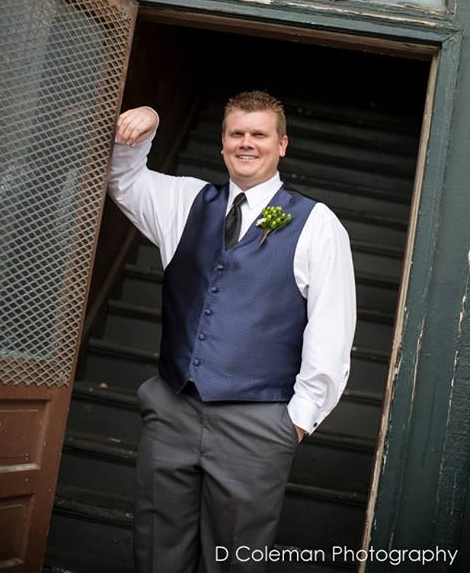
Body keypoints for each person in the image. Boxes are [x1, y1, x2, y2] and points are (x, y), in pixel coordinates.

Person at [108, 91, 356, 571]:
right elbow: (122, 178)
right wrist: (150, 120)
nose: (247, 143)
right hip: (172, 410)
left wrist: (296, 422)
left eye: (259, 134)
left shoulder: (317, 224)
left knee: (235, 560)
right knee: (157, 550)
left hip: (257, 424)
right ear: (222, 143)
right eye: (236, 133)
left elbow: (332, 329)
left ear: (281, 144)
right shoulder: (185, 202)